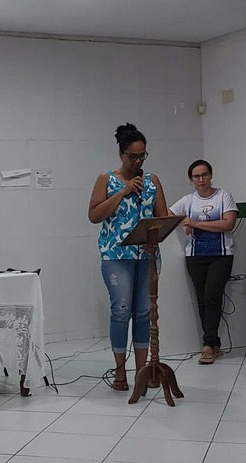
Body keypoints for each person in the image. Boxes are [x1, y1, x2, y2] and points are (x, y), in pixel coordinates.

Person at [89, 123, 168, 390]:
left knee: (144, 313)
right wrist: (123, 192)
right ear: (121, 154)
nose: (138, 161)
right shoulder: (106, 179)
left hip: (147, 255)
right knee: (121, 312)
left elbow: (162, 217)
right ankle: (120, 372)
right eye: (132, 156)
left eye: (142, 155)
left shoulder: (152, 180)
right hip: (116, 255)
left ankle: (142, 372)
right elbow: (94, 215)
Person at [170, 160, 238, 364]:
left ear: (210, 175)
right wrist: (183, 222)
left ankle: (208, 344)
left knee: (212, 296)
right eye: (196, 176)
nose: (201, 179)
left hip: (221, 255)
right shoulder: (188, 200)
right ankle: (213, 343)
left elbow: (228, 223)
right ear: (191, 180)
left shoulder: (223, 196)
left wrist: (196, 223)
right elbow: (167, 214)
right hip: (195, 255)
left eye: (204, 175)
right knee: (202, 299)